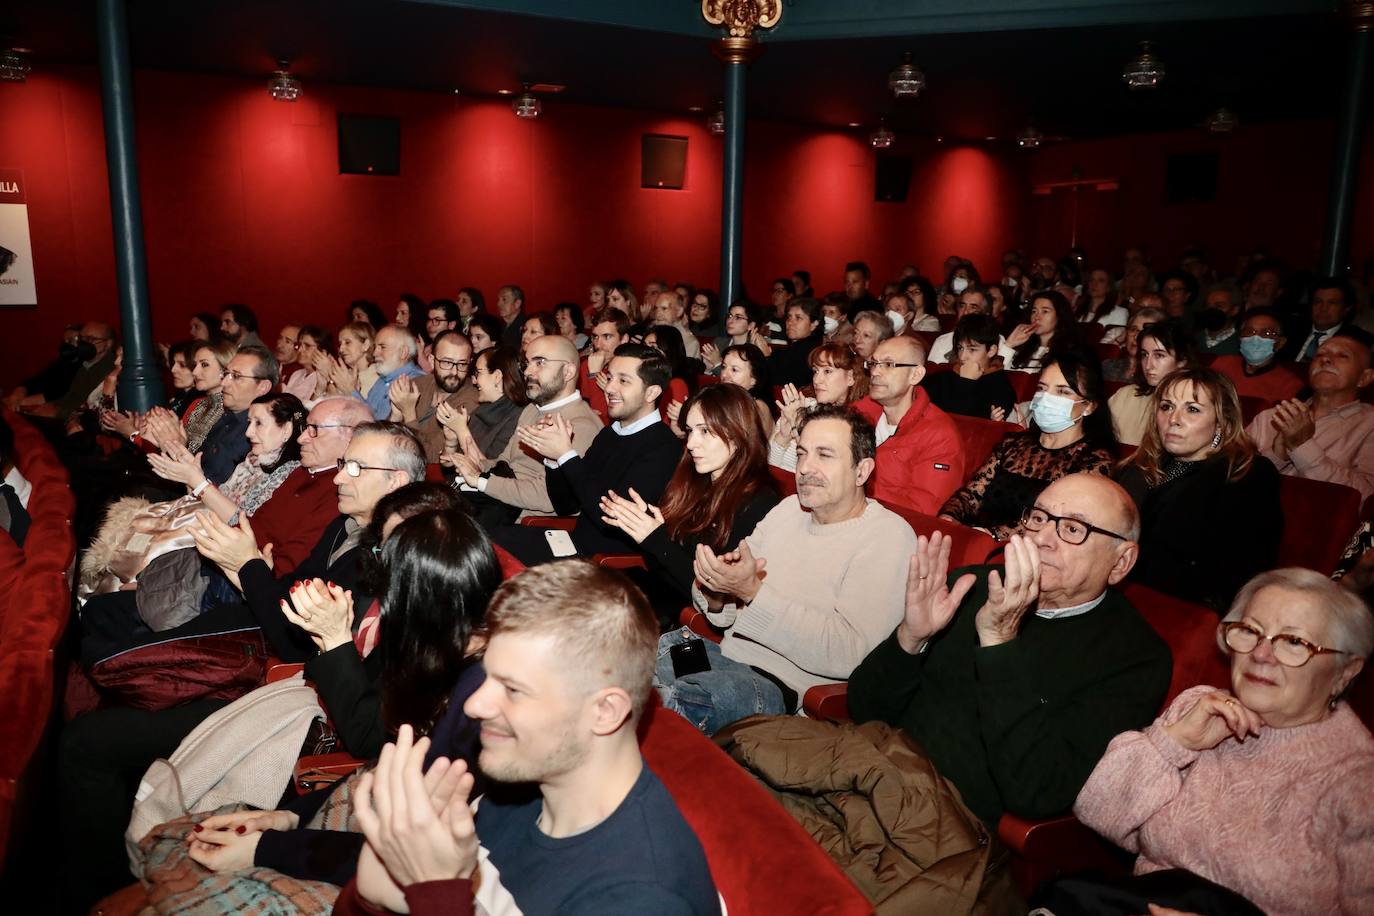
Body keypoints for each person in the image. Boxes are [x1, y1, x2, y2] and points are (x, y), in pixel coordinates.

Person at [57, 421, 423, 910]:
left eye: (356, 467)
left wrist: (247, 565)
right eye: (343, 463)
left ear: (397, 483)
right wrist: (245, 566)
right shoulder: (347, 524)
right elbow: (293, 604)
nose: (339, 476)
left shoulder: (397, 555)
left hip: (293, 694)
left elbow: (297, 643)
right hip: (278, 664)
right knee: (111, 671)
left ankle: (106, 891)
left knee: (89, 743)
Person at [332, 560, 721, 916]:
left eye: (513, 690)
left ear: (604, 712)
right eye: (487, 678)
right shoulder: (518, 785)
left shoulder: (642, 897)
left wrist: (436, 893)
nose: (475, 705)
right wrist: (372, 897)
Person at [185, 492, 504, 890]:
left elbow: (373, 745)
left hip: (376, 844)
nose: (373, 563)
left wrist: (265, 848)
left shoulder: (477, 698)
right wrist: (288, 818)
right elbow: (386, 757)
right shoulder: (442, 641)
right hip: (350, 801)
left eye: (388, 557)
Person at [849, 473, 1172, 829]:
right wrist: (910, 638)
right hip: (863, 769)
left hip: (940, 827)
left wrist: (999, 641)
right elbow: (863, 707)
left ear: (1121, 562)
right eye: (1039, 518)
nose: (1044, 539)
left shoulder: (1134, 658)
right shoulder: (971, 587)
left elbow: (1036, 792)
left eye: (1074, 529)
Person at [1066, 568, 1373, 916]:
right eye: (1249, 631)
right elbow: (1098, 812)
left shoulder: (1360, 782)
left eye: (1293, 642)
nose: (1260, 654)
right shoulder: (1201, 707)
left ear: (1345, 672)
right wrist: (1175, 741)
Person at [657, 406, 915, 734]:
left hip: (773, 689)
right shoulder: (788, 510)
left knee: (659, 712)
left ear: (862, 471)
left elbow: (850, 652)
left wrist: (752, 593)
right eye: (802, 452)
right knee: (619, 671)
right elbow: (722, 614)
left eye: (824, 455)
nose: (805, 467)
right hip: (719, 659)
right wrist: (717, 591)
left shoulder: (888, 537)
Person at [492, 343, 681, 565]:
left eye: (623, 381)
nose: (609, 388)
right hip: (574, 546)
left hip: (607, 564)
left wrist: (566, 456)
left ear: (652, 392)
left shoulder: (663, 448)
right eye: (609, 377)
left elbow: (608, 520)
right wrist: (554, 461)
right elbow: (566, 506)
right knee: (485, 540)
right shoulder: (610, 433)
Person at [1116, 367, 1282, 610]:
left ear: (1221, 422)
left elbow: (1235, 573)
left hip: (1183, 607)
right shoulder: (1140, 465)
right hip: (1121, 590)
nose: (1174, 419)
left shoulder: (1245, 473)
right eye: (1166, 407)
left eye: (1192, 409)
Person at [602, 384, 779, 604]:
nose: (691, 443)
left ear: (737, 434)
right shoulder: (692, 480)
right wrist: (645, 528)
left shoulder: (760, 503)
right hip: (654, 595)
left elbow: (712, 597)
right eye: (690, 430)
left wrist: (655, 538)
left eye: (705, 431)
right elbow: (661, 566)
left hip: (685, 618)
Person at [941, 351, 1115, 539]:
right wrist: (948, 518)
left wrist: (989, 536)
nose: (1047, 398)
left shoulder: (1094, 461)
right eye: (1042, 388)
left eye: (1062, 391)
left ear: (1088, 406)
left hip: (1028, 552)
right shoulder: (1013, 444)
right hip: (976, 538)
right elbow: (971, 495)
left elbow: (1053, 521)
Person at [444, 335, 602, 526]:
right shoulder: (532, 409)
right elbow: (503, 465)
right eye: (527, 363)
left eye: (540, 363)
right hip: (499, 507)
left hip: (528, 523)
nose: (527, 371)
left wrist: (481, 481)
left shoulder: (580, 424)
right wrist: (470, 465)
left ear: (568, 371)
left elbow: (548, 496)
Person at [1247, 332, 1374, 502]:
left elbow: (1366, 498)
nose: (1325, 360)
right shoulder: (1271, 417)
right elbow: (1229, 475)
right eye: (1320, 354)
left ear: (1365, 378)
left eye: (1342, 356)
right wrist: (1277, 455)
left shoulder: (1369, 423)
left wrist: (1302, 447)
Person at [853, 336, 965, 514]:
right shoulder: (857, 414)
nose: (875, 372)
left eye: (888, 365)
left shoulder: (939, 434)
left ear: (916, 375)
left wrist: (852, 487)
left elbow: (922, 511)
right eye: (873, 363)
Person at [768, 342, 866, 470]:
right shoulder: (800, 407)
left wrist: (797, 434)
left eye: (827, 371)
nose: (817, 380)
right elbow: (768, 469)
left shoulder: (854, 423)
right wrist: (784, 436)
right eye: (815, 371)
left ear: (850, 378)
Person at [388, 329, 479, 462]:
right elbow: (384, 442)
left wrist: (408, 413)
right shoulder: (417, 384)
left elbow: (431, 460)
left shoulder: (471, 401)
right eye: (447, 362)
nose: (454, 372)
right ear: (432, 360)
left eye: (462, 364)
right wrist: (395, 416)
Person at [1109, 319, 1200, 446]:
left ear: (1182, 360)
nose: (1148, 365)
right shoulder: (1125, 395)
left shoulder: (1195, 404)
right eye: (1145, 355)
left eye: (1159, 355)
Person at [438, 345, 525, 473]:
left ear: (497, 377)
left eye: (478, 373)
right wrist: (451, 442)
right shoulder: (482, 410)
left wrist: (462, 430)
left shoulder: (518, 418)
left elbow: (489, 473)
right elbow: (448, 470)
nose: (474, 381)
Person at [921, 314, 1016, 420]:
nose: (963, 356)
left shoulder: (1001, 387)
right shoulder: (942, 377)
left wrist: (966, 382)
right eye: (960, 348)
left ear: (991, 351)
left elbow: (961, 423)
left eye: (972, 349)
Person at [20, 321, 118, 420]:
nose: (84, 343)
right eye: (81, 338)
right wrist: (52, 405)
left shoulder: (110, 369)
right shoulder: (84, 364)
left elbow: (90, 408)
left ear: (108, 344)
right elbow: (70, 396)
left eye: (91, 339)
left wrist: (58, 412)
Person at [1211, 308, 1306, 402]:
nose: (1255, 338)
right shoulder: (1223, 364)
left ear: (1280, 342)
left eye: (1266, 333)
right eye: (1249, 331)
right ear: (1240, 338)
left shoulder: (1289, 385)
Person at [1288, 276, 1374, 362]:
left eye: (1332, 303)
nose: (1323, 308)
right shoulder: (1292, 329)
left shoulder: (1357, 340)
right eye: (1318, 301)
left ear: (1346, 309)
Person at [927, 290, 1015, 365]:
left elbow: (999, 372)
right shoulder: (942, 340)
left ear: (986, 313)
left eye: (973, 307)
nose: (965, 311)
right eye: (962, 305)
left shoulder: (996, 339)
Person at [361, 325, 427, 420]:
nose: (375, 353)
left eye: (382, 347)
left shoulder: (417, 382)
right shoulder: (382, 380)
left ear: (403, 352)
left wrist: (351, 391)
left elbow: (383, 427)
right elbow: (368, 416)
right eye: (375, 347)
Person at [756, 297, 824, 388]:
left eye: (798, 318)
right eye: (789, 317)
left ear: (814, 324)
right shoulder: (789, 350)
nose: (790, 322)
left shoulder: (813, 352)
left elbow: (785, 383)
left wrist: (767, 357)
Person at [1005, 289, 1077, 372]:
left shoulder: (1068, 353)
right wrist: (1009, 344)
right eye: (1034, 311)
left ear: (1059, 316)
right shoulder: (1022, 349)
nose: (1037, 317)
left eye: (1045, 311)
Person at [581, 307, 630, 422]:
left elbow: (604, 419)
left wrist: (594, 374)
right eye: (595, 337)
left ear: (624, 339)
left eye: (607, 337)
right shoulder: (587, 364)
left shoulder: (630, 370)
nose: (598, 345)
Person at [717, 343, 774, 437]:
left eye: (734, 370)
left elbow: (749, 448)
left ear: (753, 380)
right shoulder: (722, 400)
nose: (724, 375)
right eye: (724, 367)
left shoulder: (758, 407)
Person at [318, 321, 380, 401]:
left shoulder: (377, 376)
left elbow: (369, 411)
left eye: (347, 343)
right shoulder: (345, 374)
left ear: (365, 345)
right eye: (340, 343)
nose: (341, 349)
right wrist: (329, 376)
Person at [1102, 306, 1166, 383]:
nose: (1136, 337)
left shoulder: (1156, 374)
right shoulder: (1109, 366)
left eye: (1144, 332)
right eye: (1133, 329)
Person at [701, 301, 762, 375]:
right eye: (730, 316)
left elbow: (739, 381)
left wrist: (718, 364)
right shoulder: (719, 343)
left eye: (738, 317)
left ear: (751, 325)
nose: (730, 321)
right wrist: (708, 369)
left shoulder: (755, 349)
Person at [1196, 283, 1244, 357]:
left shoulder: (1241, 344)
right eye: (1208, 306)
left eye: (1219, 306)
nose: (1212, 310)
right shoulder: (1194, 339)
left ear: (1234, 310)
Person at [651, 291, 702, 360]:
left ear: (679, 311)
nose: (658, 314)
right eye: (656, 308)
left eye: (664, 308)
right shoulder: (650, 332)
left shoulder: (689, 342)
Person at [496, 284, 527, 350]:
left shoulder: (525, 326)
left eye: (504, 300)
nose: (498, 304)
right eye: (498, 300)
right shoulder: (498, 325)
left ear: (517, 304)